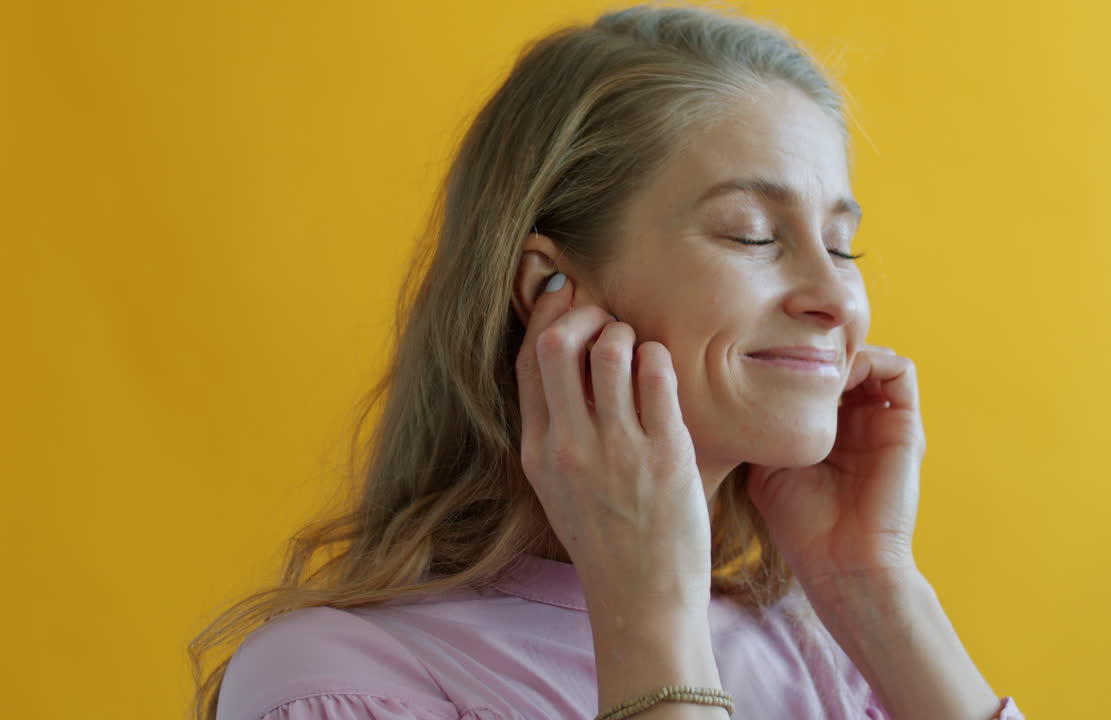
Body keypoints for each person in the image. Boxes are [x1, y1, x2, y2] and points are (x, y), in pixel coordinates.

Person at [190, 3, 1027, 719]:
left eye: (842, 247)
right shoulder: (337, 684)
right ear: (551, 288)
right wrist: (651, 623)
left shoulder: (833, 661)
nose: (837, 300)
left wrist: (875, 591)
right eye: (753, 234)